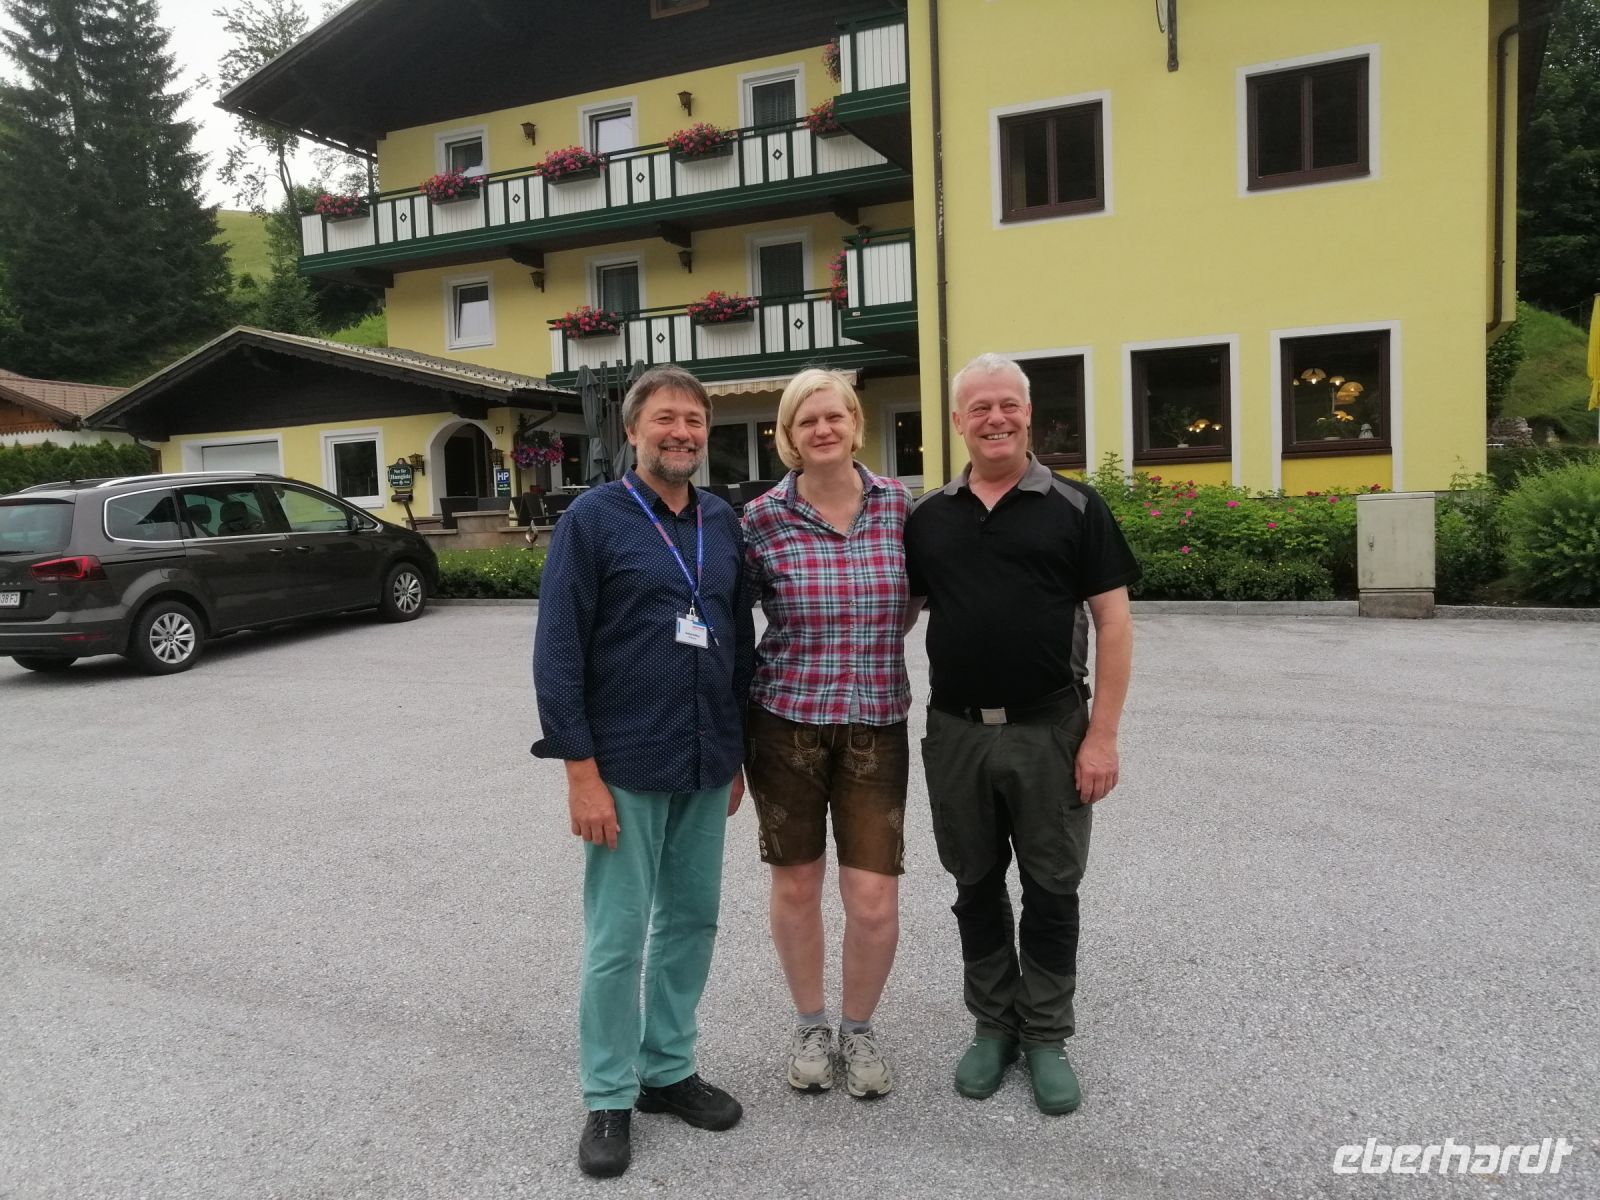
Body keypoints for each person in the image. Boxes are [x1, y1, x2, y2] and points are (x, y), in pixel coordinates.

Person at [532, 364, 755, 1179]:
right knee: (617, 937)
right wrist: (578, 774)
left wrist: (737, 757)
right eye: (666, 419)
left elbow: (738, 641)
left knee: (692, 923)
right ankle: (608, 1094)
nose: (682, 433)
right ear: (631, 431)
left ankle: (667, 1070)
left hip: (704, 759)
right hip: (621, 761)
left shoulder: (723, 522)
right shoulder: (592, 520)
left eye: (694, 421)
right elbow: (557, 653)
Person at [903, 352, 1140, 1116]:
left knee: (1050, 885)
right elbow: (896, 613)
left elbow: (1114, 621)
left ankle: (1044, 1033)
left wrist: (1101, 735)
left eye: (1008, 404)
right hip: (958, 734)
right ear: (957, 422)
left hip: (1051, 730)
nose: (996, 418)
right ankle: (991, 1024)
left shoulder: (1075, 507)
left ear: (1029, 414)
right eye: (980, 408)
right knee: (973, 882)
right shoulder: (930, 517)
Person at [741, 368, 911, 1099]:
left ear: (854, 424)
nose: (822, 430)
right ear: (788, 435)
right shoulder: (758, 521)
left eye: (834, 416)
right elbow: (721, 623)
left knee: (873, 898)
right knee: (799, 885)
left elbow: (924, 599)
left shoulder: (902, 507)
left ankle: (860, 1030)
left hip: (877, 723)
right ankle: (811, 1023)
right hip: (785, 727)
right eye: (806, 420)